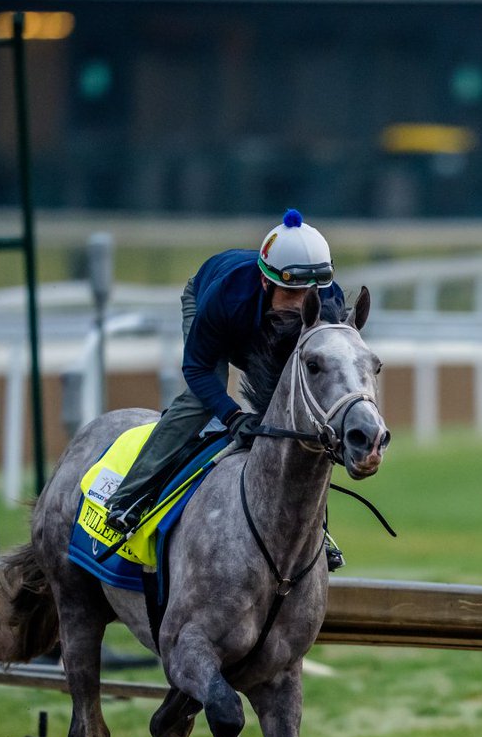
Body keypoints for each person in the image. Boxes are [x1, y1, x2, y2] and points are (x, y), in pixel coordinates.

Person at [105, 209, 347, 568]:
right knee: (200, 402)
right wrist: (233, 417)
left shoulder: (329, 304)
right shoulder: (226, 297)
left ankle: (316, 529)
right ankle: (129, 497)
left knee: (296, 417)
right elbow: (197, 369)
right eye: (292, 295)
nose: (302, 306)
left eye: (310, 295)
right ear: (266, 283)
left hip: (260, 323)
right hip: (212, 306)